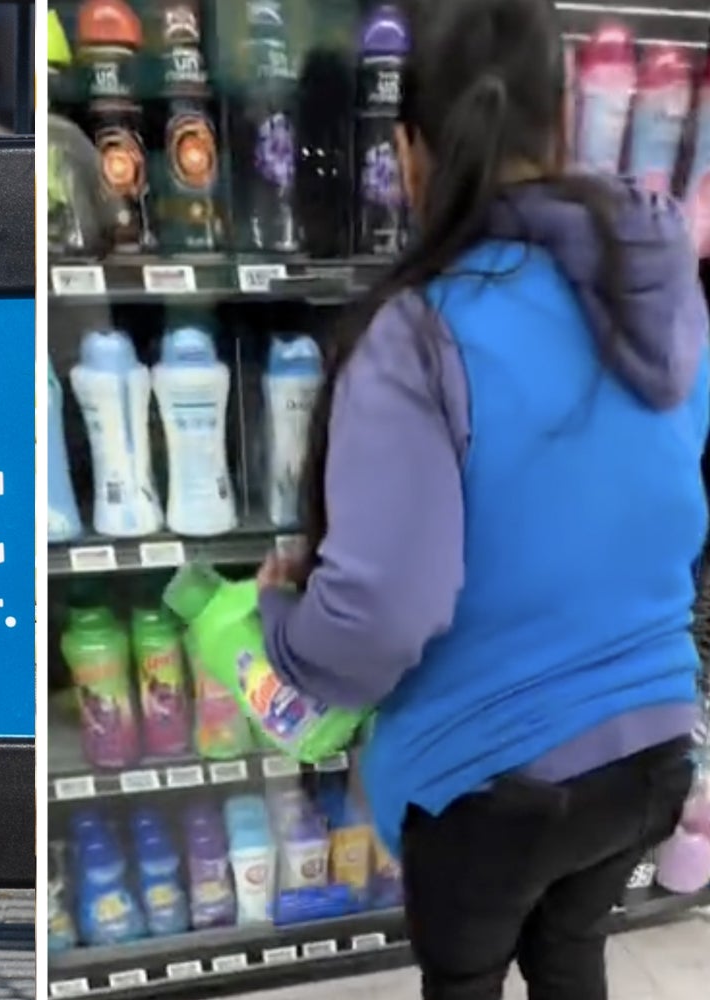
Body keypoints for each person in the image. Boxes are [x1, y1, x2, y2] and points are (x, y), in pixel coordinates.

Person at [254, 0, 705, 997]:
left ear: (410, 153)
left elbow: (378, 616)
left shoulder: (417, 332)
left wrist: (281, 622)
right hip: (654, 743)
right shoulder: (654, 286)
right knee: (568, 948)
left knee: (464, 980)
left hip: (492, 777)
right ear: (558, 127)